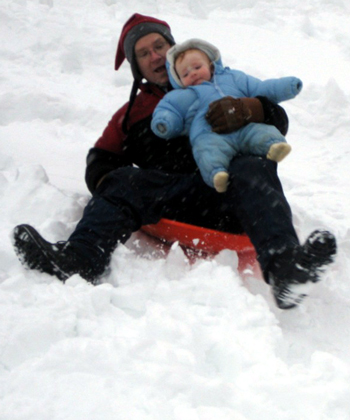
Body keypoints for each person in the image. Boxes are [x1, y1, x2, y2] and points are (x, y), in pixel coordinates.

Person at [12, 13, 336, 310]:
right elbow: (101, 159)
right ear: (136, 66)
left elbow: (275, 122)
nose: (154, 56)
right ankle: (80, 259)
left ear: (173, 48)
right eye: (143, 53)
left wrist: (250, 109)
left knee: (253, 166)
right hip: (176, 199)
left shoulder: (222, 83)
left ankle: (285, 271)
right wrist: (115, 193)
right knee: (123, 179)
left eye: (159, 46)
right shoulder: (131, 114)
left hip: (233, 197)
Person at [152, 39, 300, 192]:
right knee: (206, 150)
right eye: (185, 74)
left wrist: (287, 87)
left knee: (260, 131)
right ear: (179, 81)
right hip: (210, 133)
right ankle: (217, 174)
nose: (193, 73)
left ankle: (274, 146)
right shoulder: (184, 94)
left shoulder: (234, 78)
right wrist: (164, 122)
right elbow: (170, 108)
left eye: (197, 67)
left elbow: (261, 88)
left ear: (211, 65)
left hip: (244, 125)